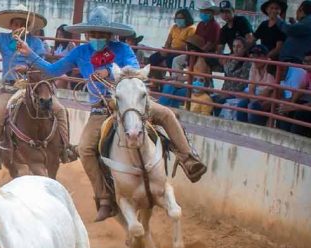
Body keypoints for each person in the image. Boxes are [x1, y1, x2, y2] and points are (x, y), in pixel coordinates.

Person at [16, 6, 207, 221]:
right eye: (94, 34)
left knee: (167, 115)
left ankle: (188, 159)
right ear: (88, 35)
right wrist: (30, 54)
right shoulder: (80, 52)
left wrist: (110, 72)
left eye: (101, 34)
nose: (97, 38)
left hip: (130, 104)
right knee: (86, 149)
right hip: (100, 109)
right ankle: (104, 197)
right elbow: (52, 70)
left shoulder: (122, 50)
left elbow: (135, 71)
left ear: (110, 35)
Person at [0, 5, 74, 166]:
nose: (18, 27)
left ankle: (65, 148)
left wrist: (27, 68)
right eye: (15, 24)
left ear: (27, 25)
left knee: (60, 110)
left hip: (33, 87)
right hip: (10, 89)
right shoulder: (2, 39)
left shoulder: (35, 43)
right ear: (11, 25)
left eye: (21, 24)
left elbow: (41, 65)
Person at [148, 8, 196, 82]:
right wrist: (165, 50)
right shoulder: (174, 27)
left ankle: (175, 81)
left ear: (186, 18)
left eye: (181, 18)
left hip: (182, 52)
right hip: (170, 50)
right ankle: (157, 81)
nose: (178, 20)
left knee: (170, 60)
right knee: (153, 58)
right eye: (177, 18)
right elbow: (168, 41)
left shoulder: (191, 29)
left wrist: (171, 50)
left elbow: (187, 46)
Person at [237, 44, 276, 125]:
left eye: (258, 56)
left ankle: (255, 130)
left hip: (268, 98)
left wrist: (254, 101)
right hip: (257, 96)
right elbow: (251, 86)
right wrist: (253, 99)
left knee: (253, 106)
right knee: (241, 105)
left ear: (266, 57)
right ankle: (242, 130)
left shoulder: (271, 65)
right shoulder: (254, 65)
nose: (255, 59)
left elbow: (269, 91)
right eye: (254, 56)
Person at [212, 36, 252, 116]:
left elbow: (242, 84)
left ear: (244, 48)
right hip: (225, 91)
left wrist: (229, 93)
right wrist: (232, 60)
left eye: (239, 46)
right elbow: (227, 73)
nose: (235, 49)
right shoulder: (231, 59)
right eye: (234, 46)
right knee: (209, 99)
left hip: (236, 94)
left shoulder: (248, 63)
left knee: (219, 102)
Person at [278, 52, 311, 136]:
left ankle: (294, 140)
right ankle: (283, 139)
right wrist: (289, 104)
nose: (306, 64)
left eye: (309, 61)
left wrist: (293, 108)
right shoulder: (308, 73)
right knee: (283, 110)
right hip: (306, 103)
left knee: (300, 114)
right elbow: (300, 89)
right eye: (305, 61)